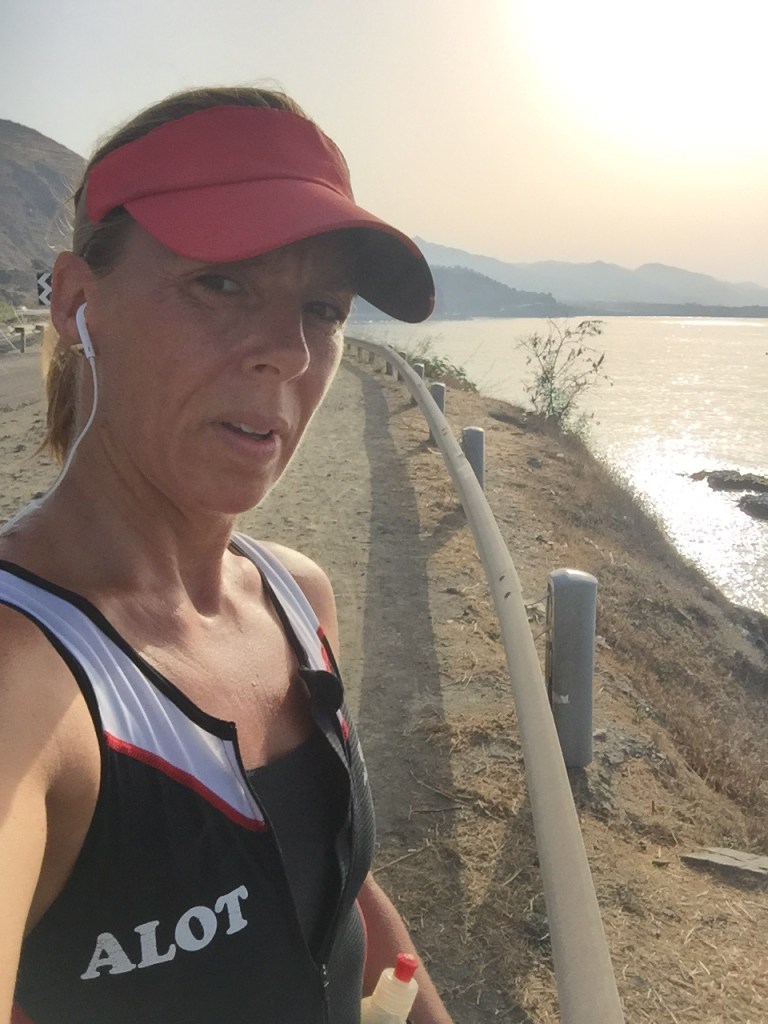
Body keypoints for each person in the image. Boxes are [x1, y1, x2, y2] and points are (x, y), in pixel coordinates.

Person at [0, 87, 453, 1024]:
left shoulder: (297, 598)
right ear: (79, 302)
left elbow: (338, 888)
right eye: (221, 283)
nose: (289, 352)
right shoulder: (23, 682)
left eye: (322, 308)